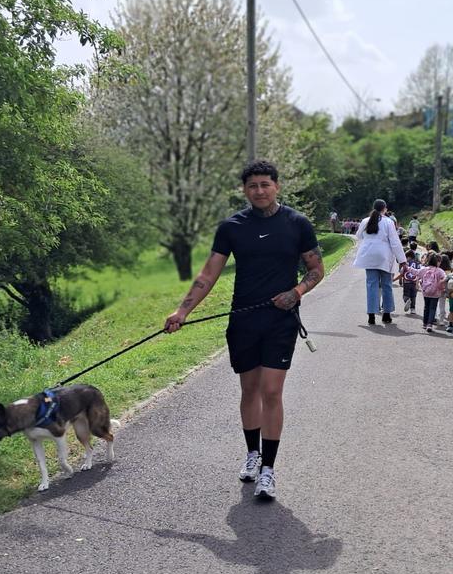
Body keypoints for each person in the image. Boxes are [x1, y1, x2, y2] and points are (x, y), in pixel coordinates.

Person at [164, 160, 324, 501]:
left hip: (280, 320)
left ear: (277, 186)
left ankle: (268, 469)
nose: (259, 191)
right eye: (253, 186)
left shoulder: (297, 223)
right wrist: (182, 311)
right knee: (249, 390)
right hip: (244, 320)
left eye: (265, 184)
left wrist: (296, 293)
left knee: (271, 391)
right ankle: (253, 454)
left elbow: (316, 270)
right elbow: (208, 274)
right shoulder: (232, 227)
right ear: (245, 190)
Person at [353, 199, 407, 326]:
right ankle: (386, 314)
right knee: (386, 284)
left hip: (369, 256)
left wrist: (370, 239)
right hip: (384, 256)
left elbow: (358, 236)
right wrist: (402, 260)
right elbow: (395, 242)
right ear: (385, 209)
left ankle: (371, 315)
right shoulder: (388, 222)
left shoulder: (365, 221)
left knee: (371, 285)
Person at [407, 253, 447, 333]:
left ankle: (425, 323)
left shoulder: (424, 269)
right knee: (433, 308)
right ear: (438, 262)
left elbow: (416, 272)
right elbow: (445, 278)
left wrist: (407, 267)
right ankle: (429, 324)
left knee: (426, 307)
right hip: (436, 293)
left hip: (426, 291)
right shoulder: (440, 271)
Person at [400, 249, 421, 314]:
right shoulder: (417, 263)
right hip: (414, 282)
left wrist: (399, 279)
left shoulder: (406, 263)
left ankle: (407, 300)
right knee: (413, 296)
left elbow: (402, 272)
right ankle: (413, 309)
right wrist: (418, 283)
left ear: (408, 257)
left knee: (405, 295)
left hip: (407, 281)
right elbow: (419, 273)